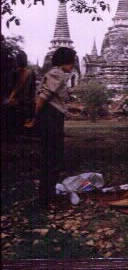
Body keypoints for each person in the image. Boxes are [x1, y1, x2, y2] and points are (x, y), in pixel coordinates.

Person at [27, 47, 76, 208]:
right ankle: (46, 198)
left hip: (53, 115)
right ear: (65, 61)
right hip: (51, 117)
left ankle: (48, 195)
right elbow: (43, 97)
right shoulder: (57, 74)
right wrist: (33, 116)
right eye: (71, 61)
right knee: (52, 157)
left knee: (53, 157)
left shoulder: (57, 73)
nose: (73, 64)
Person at [4, 51, 36, 141]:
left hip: (18, 101)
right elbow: (32, 89)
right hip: (23, 101)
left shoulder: (15, 73)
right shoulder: (25, 73)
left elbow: (9, 88)